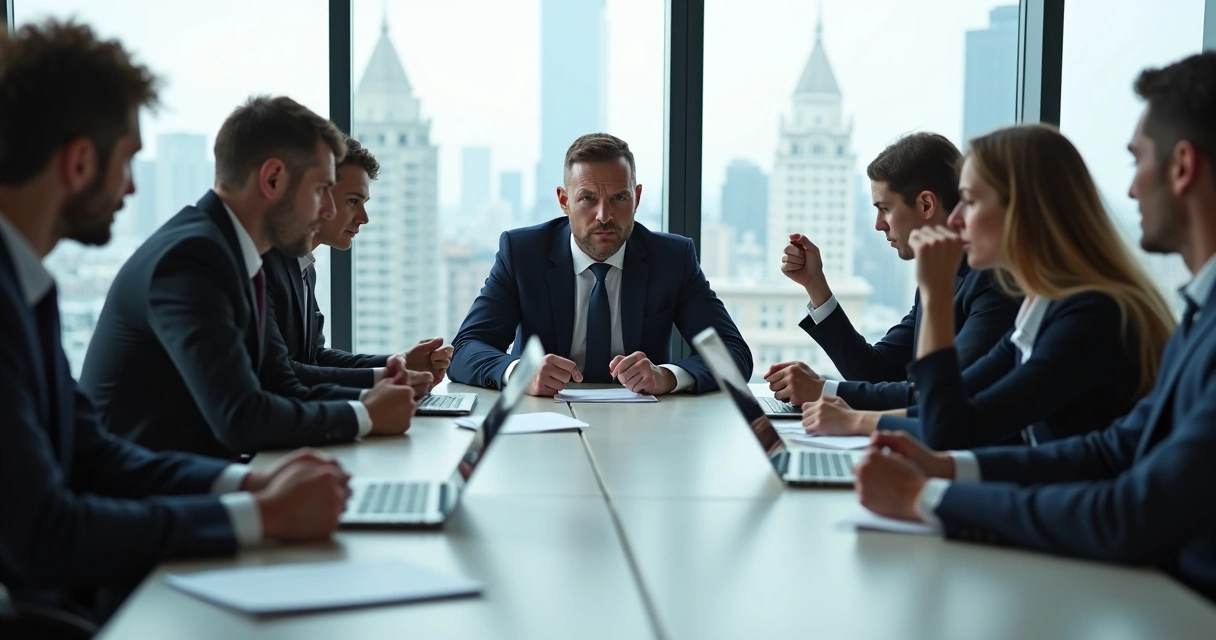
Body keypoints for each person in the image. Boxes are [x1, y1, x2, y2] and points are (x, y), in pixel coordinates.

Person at [0, 20, 350, 623]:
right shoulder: (15, 295)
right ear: (81, 161)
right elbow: (44, 536)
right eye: (129, 161)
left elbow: (96, 453)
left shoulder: (26, 285)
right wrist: (258, 517)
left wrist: (246, 490)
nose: (134, 187)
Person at [855, 51, 1216, 603]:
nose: (1130, 191)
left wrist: (928, 496)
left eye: (970, 202)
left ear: (1184, 166)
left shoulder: (1094, 316)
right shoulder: (1188, 314)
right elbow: (1110, 451)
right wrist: (942, 468)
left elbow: (1129, 510)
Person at [79, 96, 418, 460]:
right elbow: (240, 417)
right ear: (272, 179)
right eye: (322, 190)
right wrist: (365, 413)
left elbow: (281, 384)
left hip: (194, 474)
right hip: (140, 495)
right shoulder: (192, 258)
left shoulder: (235, 254)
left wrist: (376, 399)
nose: (329, 210)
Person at [801, 124, 1175, 450]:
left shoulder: (1084, 313)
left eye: (971, 201)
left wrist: (852, 415)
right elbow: (952, 410)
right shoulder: (1041, 304)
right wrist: (854, 417)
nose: (958, 219)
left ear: (1023, 212)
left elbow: (952, 420)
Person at [449, 133, 751, 396]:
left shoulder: (671, 258)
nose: (604, 215)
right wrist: (520, 373)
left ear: (637, 197)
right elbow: (465, 349)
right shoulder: (523, 253)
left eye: (619, 198)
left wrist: (667, 376)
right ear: (564, 201)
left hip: (645, 425)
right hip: (541, 422)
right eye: (588, 199)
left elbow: (733, 355)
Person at [767, 133, 1021, 410]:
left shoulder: (993, 281)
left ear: (926, 205)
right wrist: (815, 283)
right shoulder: (940, 277)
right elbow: (876, 371)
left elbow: (943, 395)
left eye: (885, 209)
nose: (878, 225)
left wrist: (824, 390)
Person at [261, 135, 452, 391]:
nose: (364, 218)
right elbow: (280, 374)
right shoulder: (264, 265)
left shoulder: (303, 267)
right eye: (353, 201)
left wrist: (401, 363)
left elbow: (315, 357)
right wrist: (390, 378)